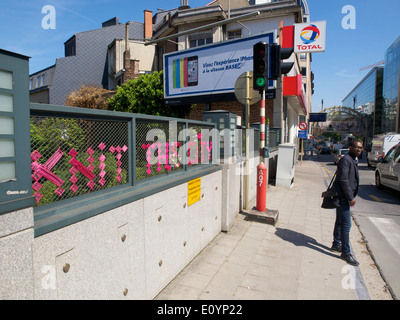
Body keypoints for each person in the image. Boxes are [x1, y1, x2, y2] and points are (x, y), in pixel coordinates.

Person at [331, 140, 363, 266]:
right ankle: (345, 252)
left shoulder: (352, 160)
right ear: (350, 147)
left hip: (344, 196)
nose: (359, 149)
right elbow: (344, 179)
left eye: (361, 147)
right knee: (346, 225)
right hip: (344, 197)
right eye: (356, 147)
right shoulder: (346, 160)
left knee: (340, 221)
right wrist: (351, 197)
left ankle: (336, 244)